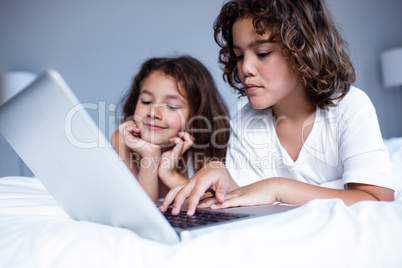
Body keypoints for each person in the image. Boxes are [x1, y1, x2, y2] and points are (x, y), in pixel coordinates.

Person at [160, 0, 396, 216]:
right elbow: (248, 194)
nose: (246, 68)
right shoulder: (245, 118)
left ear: (304, 51)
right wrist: (222, 175)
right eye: (239, 56)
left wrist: (278, 187)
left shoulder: (350, 107)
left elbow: (377, 200)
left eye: (262, 53)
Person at [111, 56, 230, 203]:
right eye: (146, 101)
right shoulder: (123, 141)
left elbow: (216, 205)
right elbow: (142, 213)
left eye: (172, 106)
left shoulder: (201, 151)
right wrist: (150, 156)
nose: (153, 113)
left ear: (195, 118)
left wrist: (170, 175)